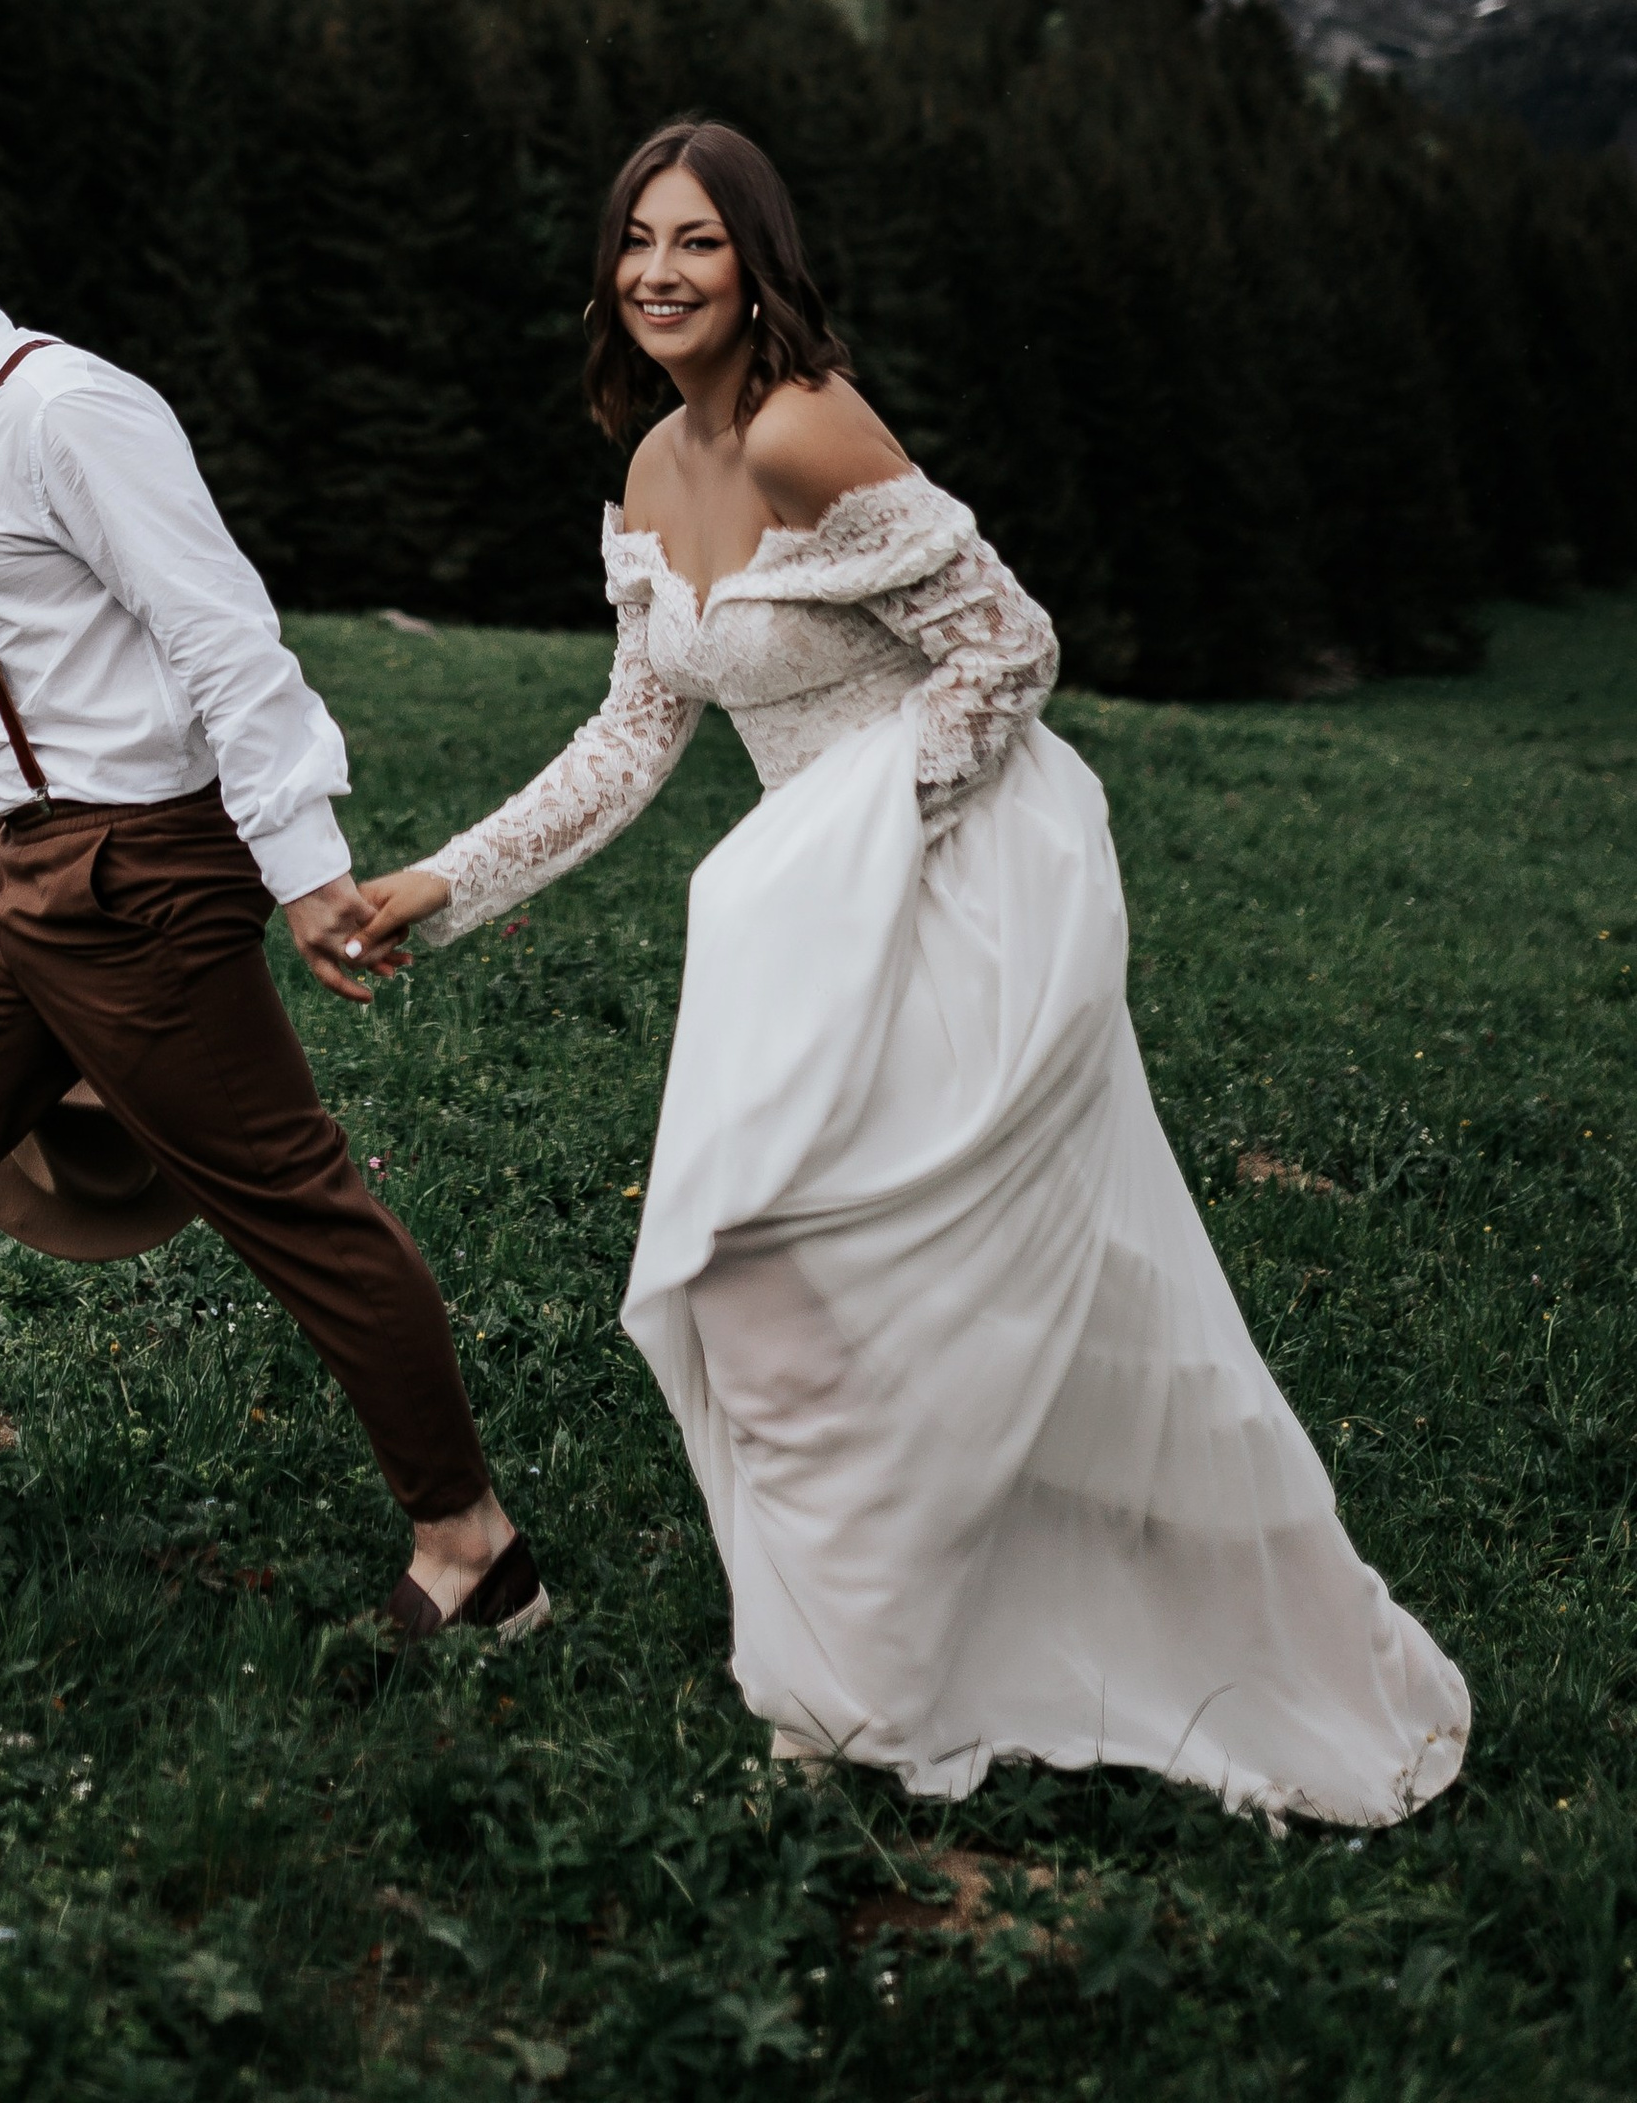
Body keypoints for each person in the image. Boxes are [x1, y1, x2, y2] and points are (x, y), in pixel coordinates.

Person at [354, 118, 1467, 1822]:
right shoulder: (653, 474)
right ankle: (856, 1677)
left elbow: (1010, 647)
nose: (658, 270)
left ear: (758, 266)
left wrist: (859, 836)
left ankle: (1092, 1622)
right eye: (635, 239)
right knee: (763, 1283)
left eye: (698, 242)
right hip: (812, 914)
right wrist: (441, 884)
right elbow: (640, 728)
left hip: (961, 884)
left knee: (924, 1276)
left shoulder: (811, 431)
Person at [0, 146, 540, 1639]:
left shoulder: (71, 413)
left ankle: (476, 1551)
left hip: (141, 881)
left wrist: (306, 869)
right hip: (22, 877)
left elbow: (222, 639)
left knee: (290, 1203)